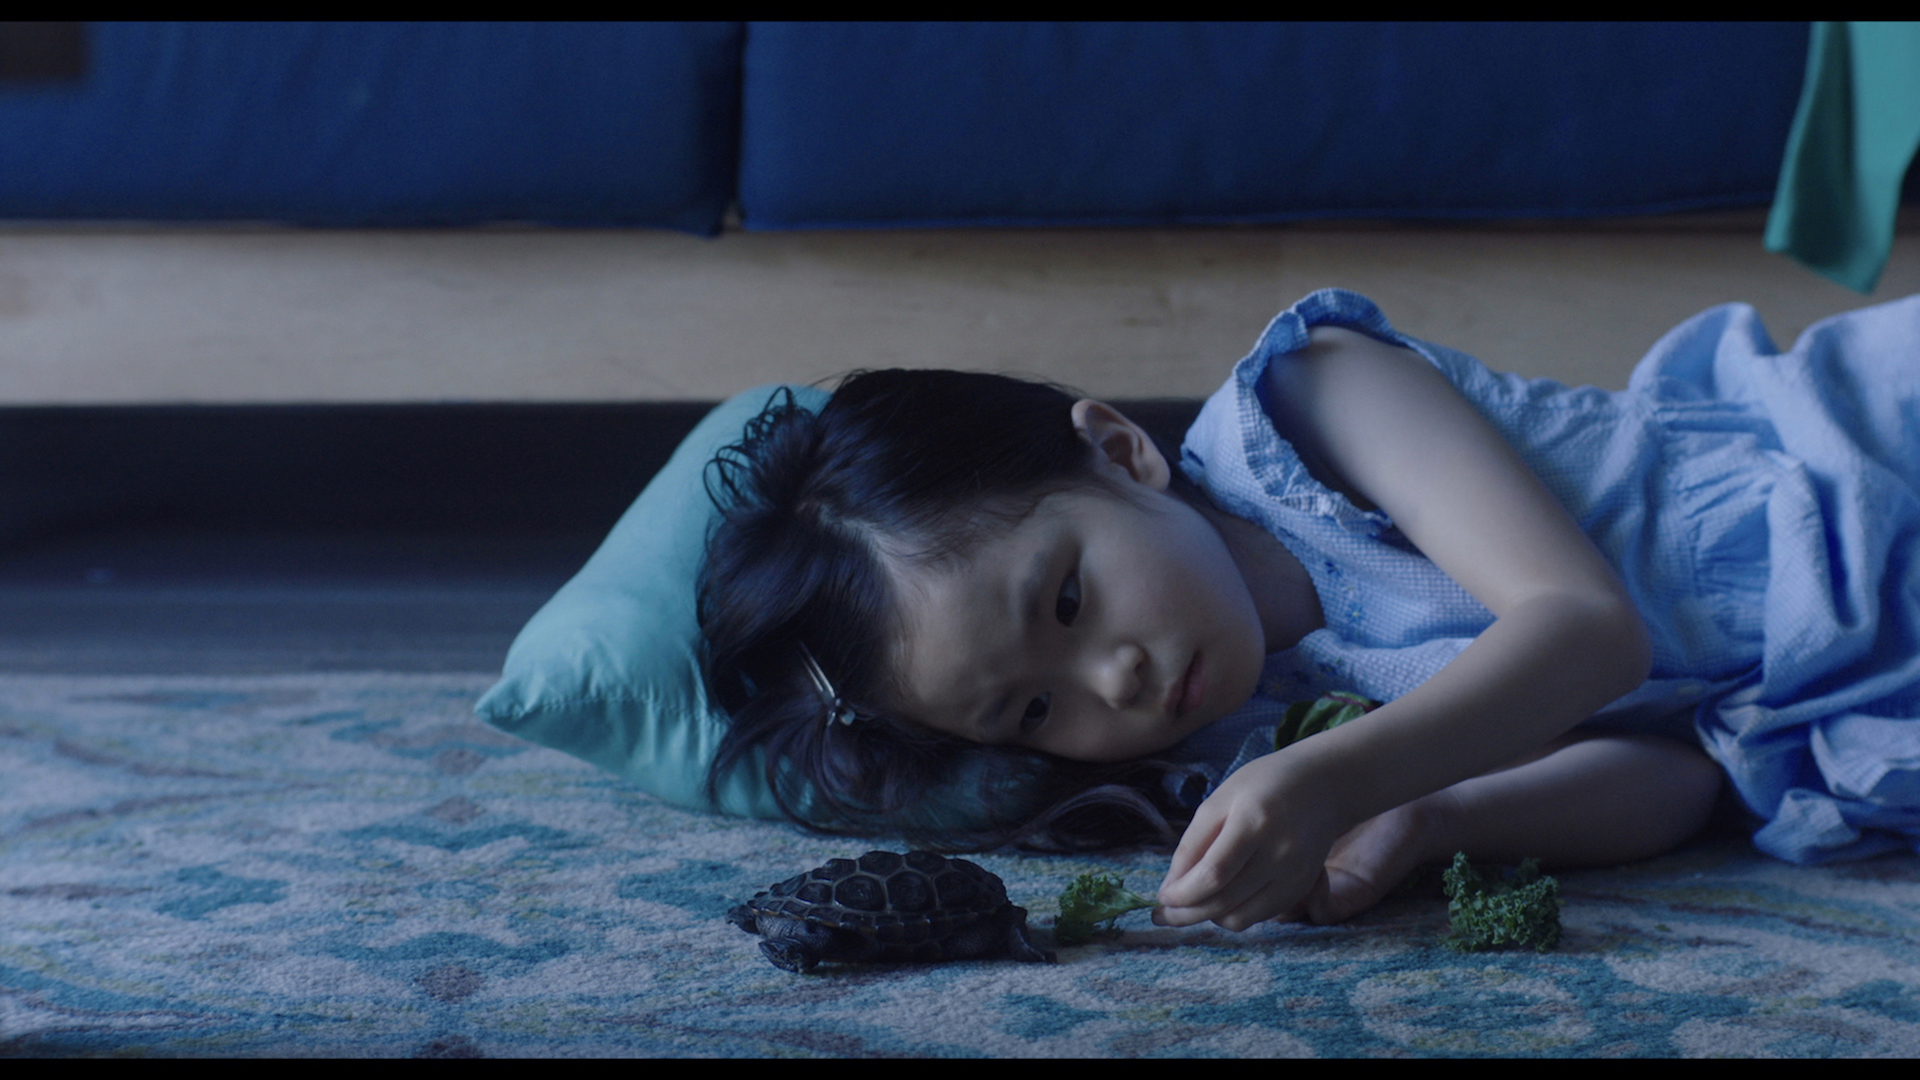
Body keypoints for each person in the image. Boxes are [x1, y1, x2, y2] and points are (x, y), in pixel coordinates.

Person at [696, 288, 1920, 931]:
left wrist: (1343, 780)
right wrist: (1429, 818)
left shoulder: (1313, 404)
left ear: (1121, 453)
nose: (1111, 680)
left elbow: (1589, 633)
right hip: (1849, 677)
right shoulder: (1244, 739)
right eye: (1031, 708)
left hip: (1863, 485)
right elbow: (1683, 779)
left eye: (1068, 599)